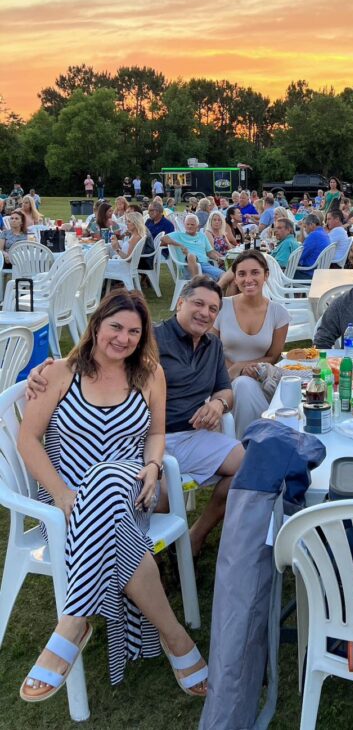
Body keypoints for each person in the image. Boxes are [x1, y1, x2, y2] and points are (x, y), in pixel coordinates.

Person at [19, 291, 209, 699]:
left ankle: (73, 623)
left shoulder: (149, 373)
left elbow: (156, 433)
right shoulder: (59, 373)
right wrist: (64, 495)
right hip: (65, 499)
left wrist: (154, 467)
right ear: (97, 326)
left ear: (143, 338)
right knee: (118, 530)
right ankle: (176, 638)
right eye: (116, 327)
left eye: (134, 332)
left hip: (129, 489)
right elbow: (28, 441)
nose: (123, 338)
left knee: (107, 477)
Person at [213, 251, 290, 437]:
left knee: (245, 385)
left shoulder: (279, 313)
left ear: (266, 275)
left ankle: (243, 446)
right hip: (222, 381)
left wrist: (250, 368)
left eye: (255, 272)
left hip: (261, 381)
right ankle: (254, 444)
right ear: (236, 279)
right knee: (241, 385)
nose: (248, 279)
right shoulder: (220, 307)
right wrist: (237, 368)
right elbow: (210, 352)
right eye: (242, 274)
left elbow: (273, 356)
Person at [161, 214, 224, 281]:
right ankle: (196, 283)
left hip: (204, 265)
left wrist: (217, 258)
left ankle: (199, 283)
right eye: (187, 224)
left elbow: (209, 252)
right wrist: (179, 244)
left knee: (224, 276)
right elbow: (163, 238)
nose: (189, 226)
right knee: (191, 255)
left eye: (192, 224)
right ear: (184, 225)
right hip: (188, 266)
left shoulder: (202, 236)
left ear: (197, 226)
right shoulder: (179, 235)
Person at [295, 213, 331, 279]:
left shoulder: (314, 235)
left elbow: (299, 255)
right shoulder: (324, 233)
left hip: (309, 273)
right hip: (320, 272)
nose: (305, 230)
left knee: (282, 272)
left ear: (311, 225)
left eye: (305, 227)